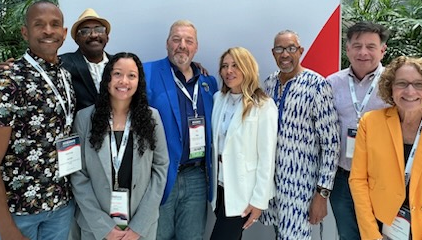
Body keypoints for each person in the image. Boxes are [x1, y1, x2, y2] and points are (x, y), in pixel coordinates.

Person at [0, 0, 77, 240]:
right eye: (39, 24)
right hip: (17, 213)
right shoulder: (5, 82)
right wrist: (8, 231)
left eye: (55, 25)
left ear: (63, 33)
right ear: (25, 32)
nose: (48, 30)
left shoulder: (65, 76)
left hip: (58, 206)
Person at [71, 52, 169, 240]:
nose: (124, 81)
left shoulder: (152, 118)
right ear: (107, 78)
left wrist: (138, 227)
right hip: (96, 227)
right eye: (117, 74)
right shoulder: (84, 119)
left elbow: (160, 169)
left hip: (140, 227)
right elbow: (78, 175)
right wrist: (104, 227)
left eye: (131, 75)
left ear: (138, 81)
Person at [260, 29, 340, 240]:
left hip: (301, 187)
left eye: (291, 48)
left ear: (300, 51)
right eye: (280, 49)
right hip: (272, 185)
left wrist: (322, 194)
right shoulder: (268, 84)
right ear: (273, 52)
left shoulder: (317, 86)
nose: (285, 54)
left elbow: (331, 144)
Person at [143, 20, 218, 240]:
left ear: (196, 47)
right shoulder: (146, 72)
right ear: (167, 44)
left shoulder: (208, 82)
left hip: (197, 176)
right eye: (176, 39)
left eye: (188, 41)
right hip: (160, 175)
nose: (182, 45)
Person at [349, 56, 422, 240]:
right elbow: (358, 180)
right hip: (381, 227)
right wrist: (372, 235)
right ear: (390, 87)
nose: (410, 91)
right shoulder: (370, 123)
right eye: (402, 83)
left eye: (419, 84)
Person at [326, 21, 390, 240]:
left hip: (382, 179)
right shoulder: (332, 83)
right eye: (357, 45)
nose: (363, 52)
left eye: (371, 46)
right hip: (343, 179)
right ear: (347, 49)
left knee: (382, 235)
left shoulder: (395, 84)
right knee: (348, 235)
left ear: (383, 50)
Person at [210, 47, 277, 240]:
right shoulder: (218, 99)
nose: (228, 71)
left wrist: (259, 201)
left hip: (243, 191)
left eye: (235, 65)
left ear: (247, 68)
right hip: (220, 188)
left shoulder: (263, 105)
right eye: (224, 66)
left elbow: (267, 157)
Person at [61, 8, 112, 111]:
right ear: (76, 39)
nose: (93, 35)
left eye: (99, 30)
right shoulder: (63, 64)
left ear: (107, 37)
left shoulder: (118, 64)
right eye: (85, 31)